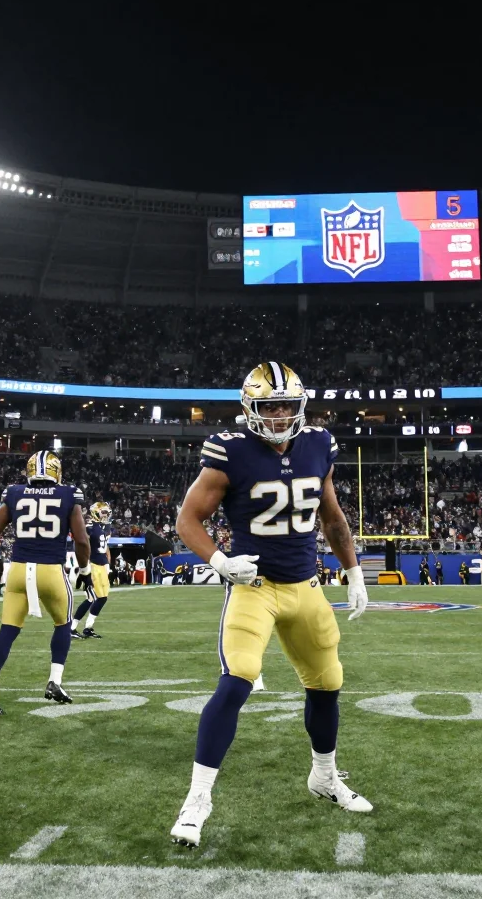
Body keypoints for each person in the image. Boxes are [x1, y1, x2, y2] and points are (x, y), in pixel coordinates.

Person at [168, 362, 371, 849]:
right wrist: (219, 559)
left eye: (287, 405)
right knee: (237, 680)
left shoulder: (319, 444)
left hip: (306, 586)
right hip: (253, 586)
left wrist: (355, 570)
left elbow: (333, 517)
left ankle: (324, 776)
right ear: (250, 409)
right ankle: (197, 800)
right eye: (269, 406)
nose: (279, 415)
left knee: (327, 684)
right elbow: (187, 520)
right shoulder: (230, 451)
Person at [0, 451, 87, 715]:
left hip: (18, 571)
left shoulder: (14, 493)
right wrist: (84, 569)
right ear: (56, 471)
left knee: (7, 630)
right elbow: (81, 540)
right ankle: (54, 682)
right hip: (51, 571)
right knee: (63, 624)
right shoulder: (69, 494)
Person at [70, 501, 114, 639]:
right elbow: (81, 544)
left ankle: (88, 627)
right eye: (103, 512)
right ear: (95, 513)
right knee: (91, 598)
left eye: (107, 512)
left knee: (102, 598)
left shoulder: (105, 527)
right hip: (93, 565)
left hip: (102, 566)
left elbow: (105, 547)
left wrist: (108, 563)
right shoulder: (89, 527)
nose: (105, 515)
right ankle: (71, 628)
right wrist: (84, 567)